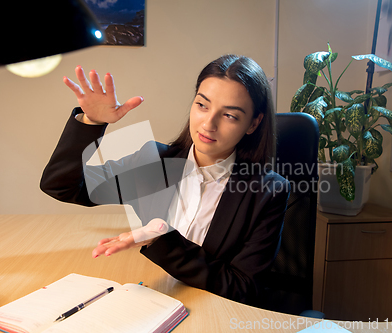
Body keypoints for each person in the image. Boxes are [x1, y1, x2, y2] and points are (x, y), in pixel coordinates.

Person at [40, 55, 290, 307]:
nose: (208, 124)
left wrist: (159, 238)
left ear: (253, 123)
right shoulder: (153, 161)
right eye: (202, 105)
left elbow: (243, 288)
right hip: (147, 296)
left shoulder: (268, 192)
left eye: (230, 116)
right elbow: (62, 186)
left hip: (210, 310)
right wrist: (92, 123)